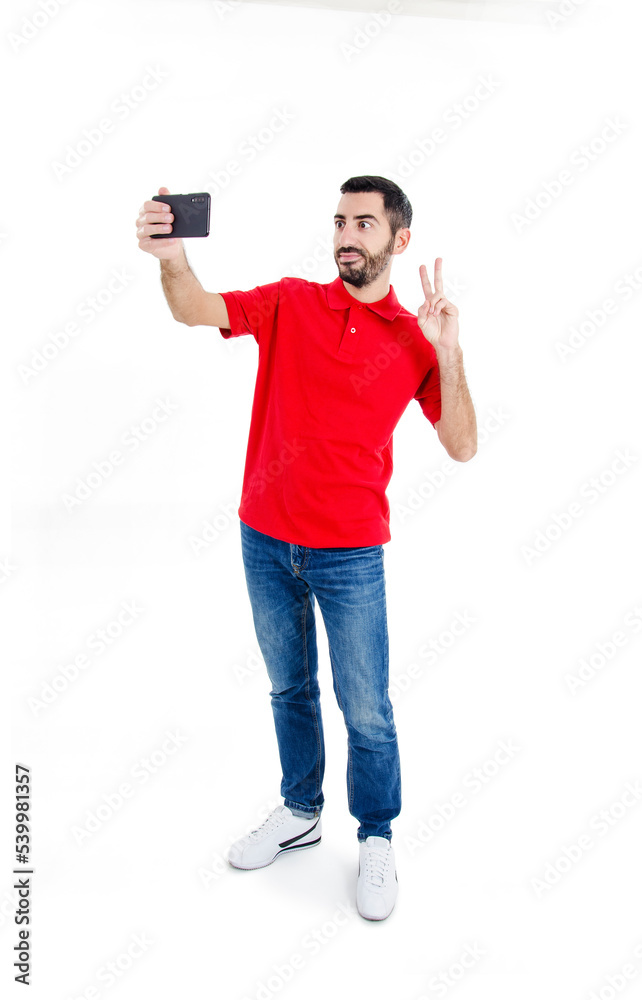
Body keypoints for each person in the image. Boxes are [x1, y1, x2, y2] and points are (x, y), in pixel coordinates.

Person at [135, 175, 477, 920]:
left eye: (363, 223)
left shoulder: (412, 338)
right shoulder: (293, 299)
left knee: (366, 708)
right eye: (339, 222)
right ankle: (300, 810)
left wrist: (449, 350)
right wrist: (170, 258)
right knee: (288, 687)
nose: (346, 236)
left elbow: (462, 446)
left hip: (351, 554)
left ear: (399, 239)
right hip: (264, 537)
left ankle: (376, 835)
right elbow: (197, 308)